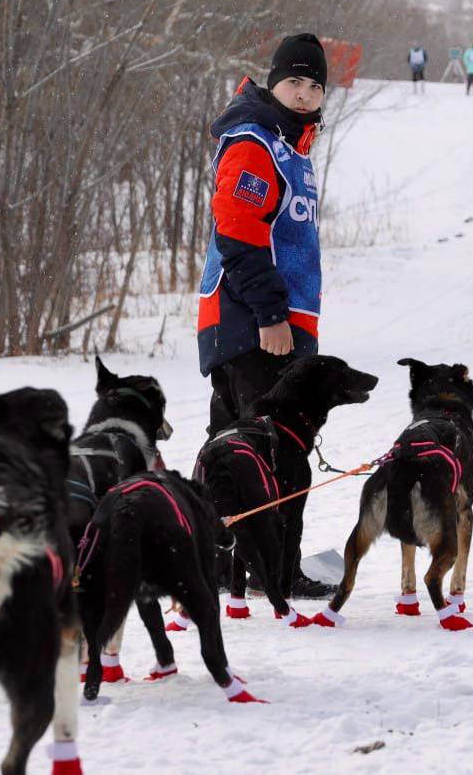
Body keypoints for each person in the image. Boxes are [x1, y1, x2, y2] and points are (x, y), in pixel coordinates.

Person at [198, 33, 329, 595]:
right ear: (271, 81)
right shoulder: (255, 140)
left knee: (232, 448)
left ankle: (220, 564)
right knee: (270, 447)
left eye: (315, 85)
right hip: (253, 321)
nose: (303, 94)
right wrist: (272, 316)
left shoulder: (288, 144)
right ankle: (269, 570)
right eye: (293, 82)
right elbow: (238, 234)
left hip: (259, 320)